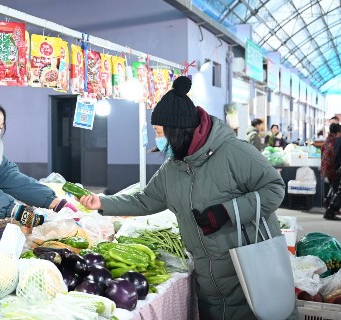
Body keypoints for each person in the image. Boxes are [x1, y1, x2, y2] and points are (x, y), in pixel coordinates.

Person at [79, 76, 297, 319]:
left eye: (159, 132)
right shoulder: (173, 167)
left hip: (250, 270)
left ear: (177, 131)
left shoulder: (233, 152)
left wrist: (226, 212)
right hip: (209, 278)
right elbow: (146, 200)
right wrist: (102, 203)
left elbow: (274, 189)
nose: (157, 140)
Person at [322, 123, 341, 220]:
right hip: (335, 170)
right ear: (338, 132)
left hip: (327, 170)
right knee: (338, 191)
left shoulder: (327, 140)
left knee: (334, 188)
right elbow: (338, 156)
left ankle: (328, 203)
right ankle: (330, 211)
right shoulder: (338, 141)